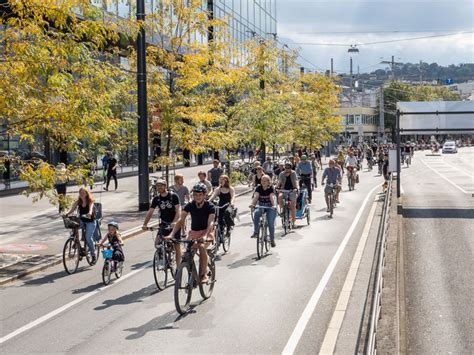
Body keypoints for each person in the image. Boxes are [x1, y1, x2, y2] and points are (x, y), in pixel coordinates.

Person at [169, 183, 215, 283]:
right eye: (195, 195)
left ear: (204, 195)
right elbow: (181, 219)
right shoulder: (190, 205)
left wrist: (206, 235)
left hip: (206, 232)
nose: (197, 197)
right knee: (188, 254)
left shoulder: (210, 206)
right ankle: (193, 278)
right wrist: (172, 234)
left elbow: (211, 223)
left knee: (202, 247)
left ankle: (204, 274)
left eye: (200, 195)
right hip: (193, 233)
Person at [142, 179, 182, 266]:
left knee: (177, 246)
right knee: (157, 244)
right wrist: (145, 224)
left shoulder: (173, 196)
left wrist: (175, 221)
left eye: (161, 185)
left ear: (165, 186)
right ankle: (163, 257)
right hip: (164, 223)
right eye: (157, 186)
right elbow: (150, 212)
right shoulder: (156, 199)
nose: (159, 187)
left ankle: (179, 267)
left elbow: (178, 209)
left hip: (174, 224)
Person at [66, 187, 97, 263]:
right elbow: (72, 209)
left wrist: (89, 213)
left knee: (88, 237)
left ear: (86, 193)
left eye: (83, 193)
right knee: (74, 226)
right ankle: (76, 242)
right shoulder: (78, 201)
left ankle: (93, 255)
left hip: (90, 221)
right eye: (80, 193)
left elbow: (90, 208)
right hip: (82, 220)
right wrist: (67, 214)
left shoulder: (90, 201)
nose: (82, 194)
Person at [250, 175, 277, 247]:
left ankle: (272, 239)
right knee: (256, 213)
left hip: (270, 207)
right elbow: (256, 197)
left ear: (269, 182)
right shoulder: (258, 187)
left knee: (271, 223)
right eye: (262, 180)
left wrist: (274, 205)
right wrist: (252, 204)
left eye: (265, 181)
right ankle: (256, 231)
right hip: (261, 206)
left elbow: (272, 197)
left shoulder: (271, 188)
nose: (263, 182)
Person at [277, 163, 298, 227]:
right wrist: (277, 187)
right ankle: (283, 210)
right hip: (283, 190)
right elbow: (279, 182)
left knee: (293, 206)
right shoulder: (281, 174)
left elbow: (296, 181)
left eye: (288, 168)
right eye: (285, 168)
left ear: (291, 168)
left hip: (292, 190)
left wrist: (296, 188)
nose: (287, 169)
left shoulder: (293, 173)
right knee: (280, 196)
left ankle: (294, 222)